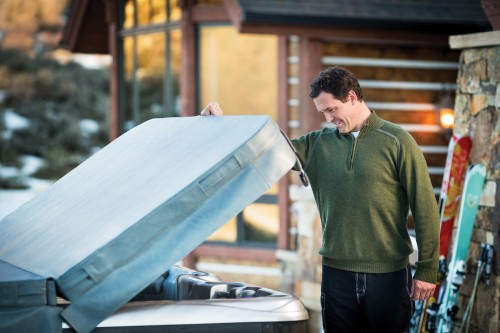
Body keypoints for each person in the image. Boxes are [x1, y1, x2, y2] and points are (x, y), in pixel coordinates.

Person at [201, 66, 440, 333]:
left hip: (388, 276)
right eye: (323, 112)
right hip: (336, 275)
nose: (328, 118)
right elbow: (264, 148)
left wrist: (428, 269)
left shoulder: (398, 142)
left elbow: (425, 207)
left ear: (351, 97)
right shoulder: (317, 144)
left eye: (331, 109)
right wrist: (223, 126)